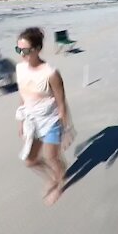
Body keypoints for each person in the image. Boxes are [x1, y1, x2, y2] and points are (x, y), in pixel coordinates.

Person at [14, 27, 74, 205]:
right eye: (18, 50)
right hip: (32, 122)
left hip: (51, 121)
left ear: (37, 49)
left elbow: (62, 102)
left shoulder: (51, 73)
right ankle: (55, 175)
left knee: (50, 157)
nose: (22, 54)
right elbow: (22, 95)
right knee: (30, 161)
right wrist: (21, 121)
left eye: (25, 51)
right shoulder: (20, 68)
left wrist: (66, 128)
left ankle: (59, 182)